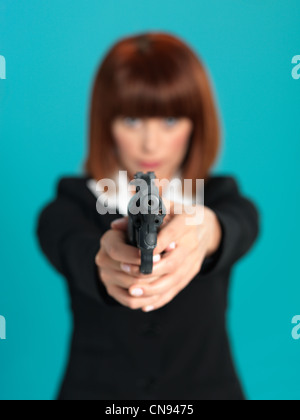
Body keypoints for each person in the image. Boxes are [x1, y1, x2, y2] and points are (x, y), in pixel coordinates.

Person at [35, 32, 260, 400]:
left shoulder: (219, 198)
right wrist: (106, 263)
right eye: (131, 120)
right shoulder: (68, 207)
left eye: (170, 119)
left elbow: (241, 223)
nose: (150, 143)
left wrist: (205, 231)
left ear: (196, 124)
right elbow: (72, 247)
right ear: (105, 123)